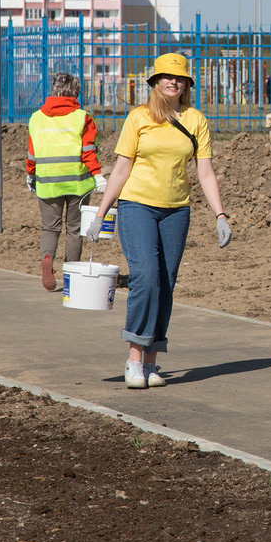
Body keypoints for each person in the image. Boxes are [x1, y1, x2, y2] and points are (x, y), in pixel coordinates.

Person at [87, 53, 232, 389]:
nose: (173, 82)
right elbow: (121, 169)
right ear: (154, 82)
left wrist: (220, 215)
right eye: (167, 77)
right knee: (146, 277)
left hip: (176, 210)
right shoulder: (139, 118)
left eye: (179, 78)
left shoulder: (196, 120)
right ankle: (134, 358)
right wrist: (101, 213)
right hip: (137, 205)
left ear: (186, 84)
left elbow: (205, 172)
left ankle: (152, 361)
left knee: (166, 282)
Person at [27, 72, 107, 291]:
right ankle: (71, 274)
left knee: (50, 229)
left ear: (53, 90)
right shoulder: (83, 117)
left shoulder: (36, 118)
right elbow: (88, 152)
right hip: (78, 183)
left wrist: (31, 174)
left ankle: (46, 258)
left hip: (48, 183)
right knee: (75, 229)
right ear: (76, 92)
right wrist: (98, 176)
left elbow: (32, 153)